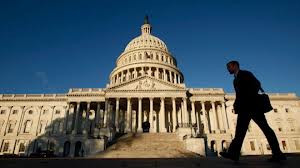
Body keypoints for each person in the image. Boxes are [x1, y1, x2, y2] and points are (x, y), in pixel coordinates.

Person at [220, 60, 286, 162]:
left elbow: (257, 84)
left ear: (235, 66)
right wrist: (236, 104)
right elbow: (239, 95)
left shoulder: (246, 74)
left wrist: (249, 97)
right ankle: (234, 154)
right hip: (244, 108)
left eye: (229, 67)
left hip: (253, 107)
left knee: (266, 129)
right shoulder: (235, 80)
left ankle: (278, 154)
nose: (228, 69)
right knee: (239, 132)